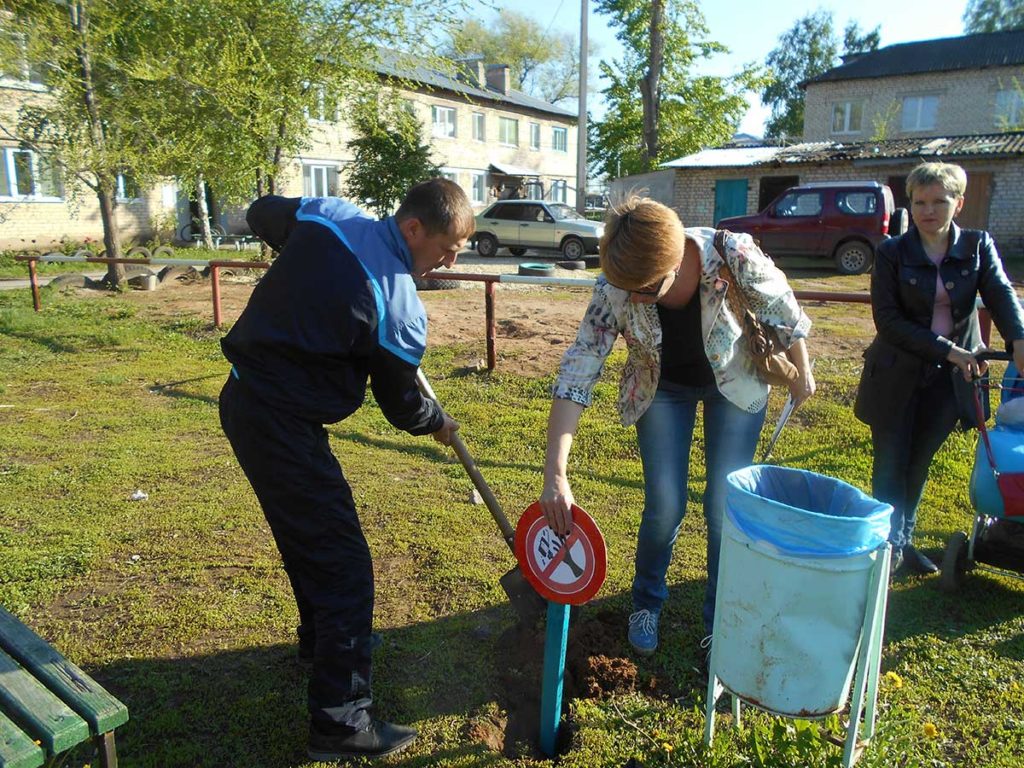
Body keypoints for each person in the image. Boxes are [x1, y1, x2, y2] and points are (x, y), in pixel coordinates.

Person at [218, 178, 472, 761]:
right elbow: (401, 402)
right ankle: (341, 721)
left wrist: (304, 256)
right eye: (447, 248)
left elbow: (261, 213)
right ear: (413, 229)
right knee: (345, 566)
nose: (450, 262)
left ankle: (318, 644)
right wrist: (436, 422)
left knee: (305, 537)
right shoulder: (398, 303)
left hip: (245, 403)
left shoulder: (328, 214)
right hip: (279, 423)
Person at [539, 194, 815, 661]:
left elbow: (784, 312)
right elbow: (578, 371)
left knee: (724, 506)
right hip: (659, 388)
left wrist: (800, 371)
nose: (635, 297)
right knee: (665, 505)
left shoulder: (732, 252)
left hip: (735, 381)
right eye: (628, 288)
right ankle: (646, 603)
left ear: (675, 259)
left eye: (647, 289)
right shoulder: (616, 283)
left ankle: (720, 621)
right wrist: (556, 474)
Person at [855, 162, 1024, 575]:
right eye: (919, 202)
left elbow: (1001, 293)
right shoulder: (892, 252)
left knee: (920, 462)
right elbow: (889, 321)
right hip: (896, 374)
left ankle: (903, 543)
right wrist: (950, 350)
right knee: (890, 464)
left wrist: (1019, 338)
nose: (928, 210)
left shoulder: (978, 246)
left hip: (952, 381)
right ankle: (886, 549)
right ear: (910, 204)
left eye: (939, 201)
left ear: (958, 202)